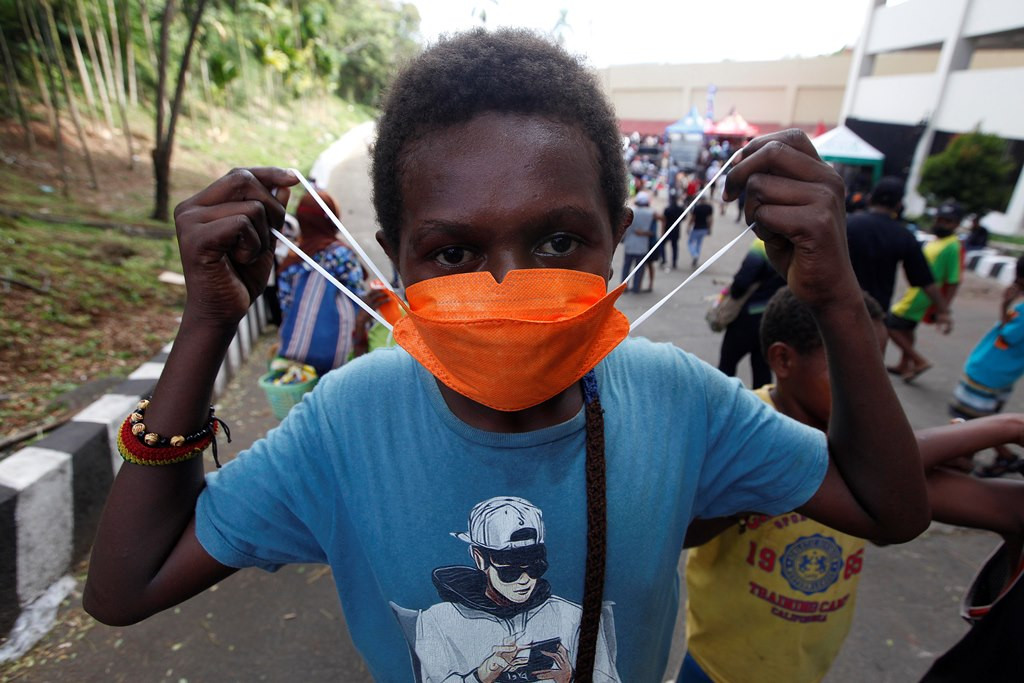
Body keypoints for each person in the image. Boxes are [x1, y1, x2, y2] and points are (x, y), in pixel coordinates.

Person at [84, 30, 929, 683]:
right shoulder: (349, 421)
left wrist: (838, 302)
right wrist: (205, 326)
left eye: (558, 238)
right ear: (396, 257)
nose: (508, 288)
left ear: (619, 233)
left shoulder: (678, 399)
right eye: (451, 252)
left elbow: (889, 509)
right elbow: (125, 588)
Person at [683, 287, 1024, 683]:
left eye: (876, 368)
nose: (869, 387)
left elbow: (888, 522)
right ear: (783, 359)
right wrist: (1007, 425)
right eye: (848, 369)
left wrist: (911, 471)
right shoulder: (741, 429)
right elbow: (685, 530)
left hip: (807, 668)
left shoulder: (870, 443)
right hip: (719, 666)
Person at [275, 189, 368, 376]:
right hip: (341, 355)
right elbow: (359, 298)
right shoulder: (339, 254)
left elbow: (286, 307)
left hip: (299, 355)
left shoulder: (291, 258)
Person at [950, 256, 1024, 476]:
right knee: (984, 417)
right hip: (1003, 374)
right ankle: (991, 458)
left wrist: (1004, 305)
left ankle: (1005, 457)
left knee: (969, 420)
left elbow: (1007, 336)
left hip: (988, 371)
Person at [845, 177, 951, 321]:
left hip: (836, 307)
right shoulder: (903, 235)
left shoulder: (846, 224)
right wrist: (943, 310)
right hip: (873, 315)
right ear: (899, 205)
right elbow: (924, 279)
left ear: (870, 198)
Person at [886, 201, 963, 382]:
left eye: (947, 221)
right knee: (907, 328)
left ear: (956, 224)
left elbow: (953, 281)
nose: (941, 223)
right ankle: (904, 363)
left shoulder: (953, 246)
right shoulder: (938, 241)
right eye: (940, 219)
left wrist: (944, 309)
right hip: (916, 292)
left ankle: (918, 360)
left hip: (922, 296)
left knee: (889, 324)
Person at [716, 238, 785, 388]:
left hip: (748, 317)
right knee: (762, 370)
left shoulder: (763, 244)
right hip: (773, 316)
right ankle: (760, 408)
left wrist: (732, 292)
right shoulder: (794, 245)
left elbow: (741, 282)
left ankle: (721, 404)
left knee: (727, 365)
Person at [620, 191, 655, 293]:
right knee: (639, 268)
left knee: (626, 266)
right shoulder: (650, 213)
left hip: (630, 244)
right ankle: (636, 288)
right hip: (642, 245)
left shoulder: (630, 211)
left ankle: (623, 287)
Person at [687, 195, 713, 268]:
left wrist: (688, 226)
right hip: (704, 228)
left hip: (697, 228)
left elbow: (692, 218)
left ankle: (694, 254)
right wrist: (709, 228)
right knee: (699, 243)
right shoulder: (709, 207)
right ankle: (697, 255)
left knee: (690, 242)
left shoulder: (696, 208)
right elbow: (710, 219)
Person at [662, 191, 684, 269]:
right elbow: (684, 218)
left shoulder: (667, 209)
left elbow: (664, 220)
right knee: (674, 246)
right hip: (676, 230)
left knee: (662, 245)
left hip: (667, 230)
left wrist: (662, 231)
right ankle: (674, 262)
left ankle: (664, 259)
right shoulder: (680, 209)